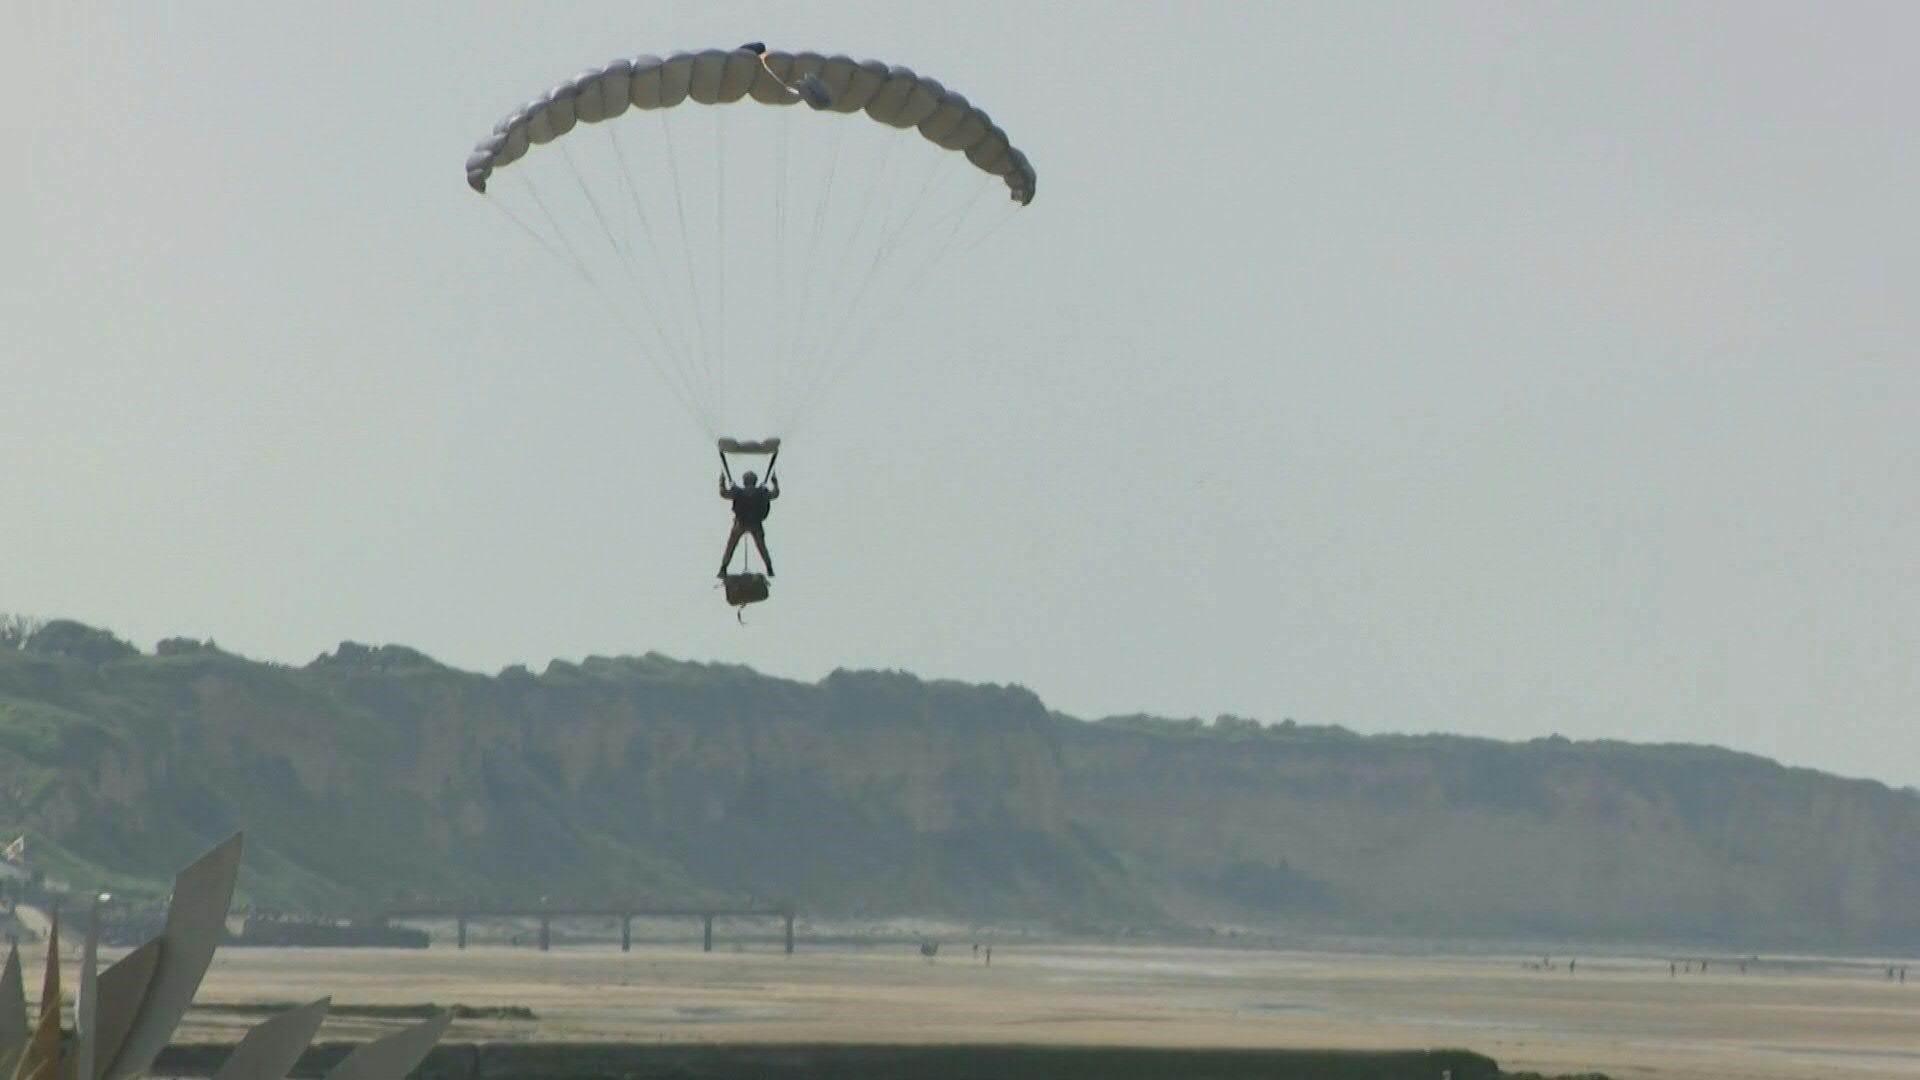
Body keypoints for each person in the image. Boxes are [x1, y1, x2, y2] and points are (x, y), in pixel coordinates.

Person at [720, 469, 779, 577]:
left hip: (741, 523)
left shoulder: (738, 492)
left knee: (731, 546)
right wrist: (775, 483)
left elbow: (724, 494)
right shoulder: (761, 492)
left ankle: (723, 568)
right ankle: (769, 567)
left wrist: (722, 482)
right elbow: (774, 494)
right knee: (762, 547)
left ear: (744, 481)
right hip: (755, 524)